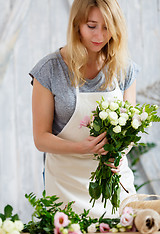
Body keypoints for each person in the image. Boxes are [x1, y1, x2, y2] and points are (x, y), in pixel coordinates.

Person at [30, 0, 139, 218]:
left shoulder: (124, 68)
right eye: (91, 26)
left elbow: (131, 130)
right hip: (64, 185)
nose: (99, 35)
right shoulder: (49, 70)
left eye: (107, 27)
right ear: (77, 24)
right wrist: (82, 147)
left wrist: (119, 152)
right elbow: (41, 138)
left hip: (115, 185)